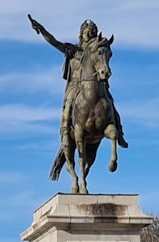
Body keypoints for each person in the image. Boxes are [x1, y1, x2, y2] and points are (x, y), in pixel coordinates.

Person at [28, 15, 128, 153]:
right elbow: (54, 42)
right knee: (69, 103)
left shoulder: (96, 49)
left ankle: (119, 131)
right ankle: (65, 135)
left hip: (95, 85)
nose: (89, 34)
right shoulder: (73, 50)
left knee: (110, 101)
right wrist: (42, 30)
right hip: (76, 85)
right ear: (81, 33)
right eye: (87, 31)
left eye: (92, 31)